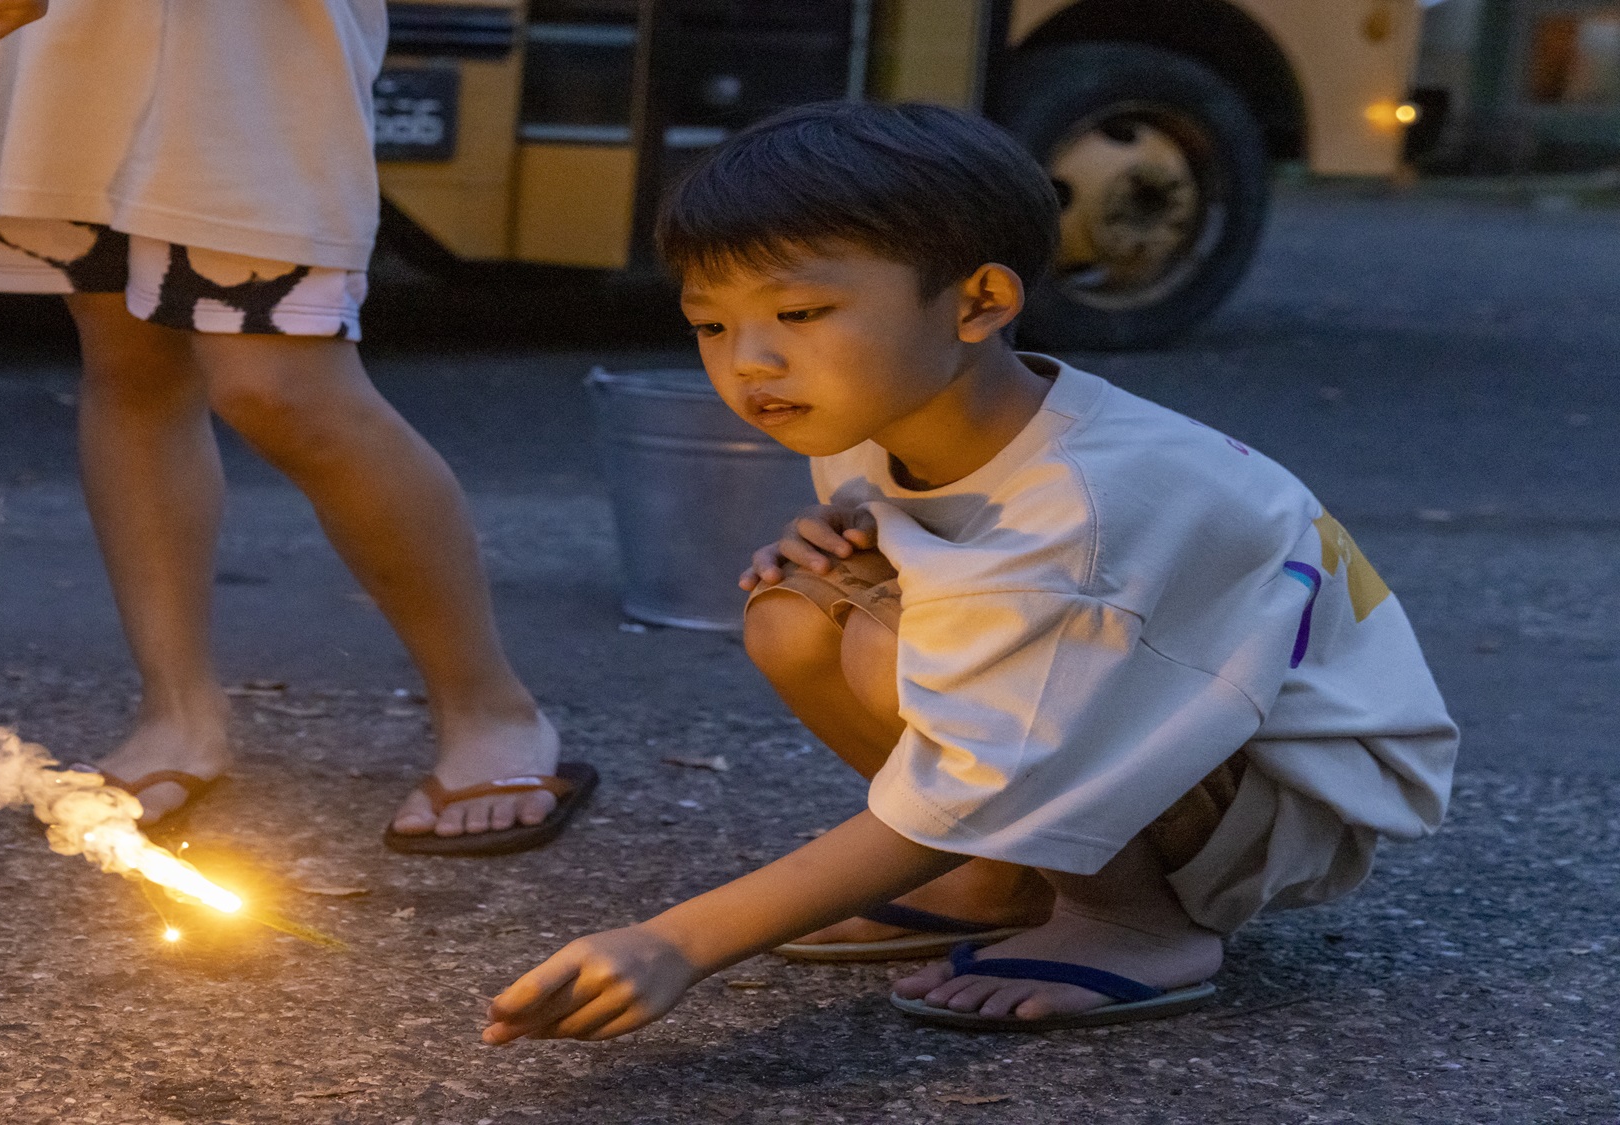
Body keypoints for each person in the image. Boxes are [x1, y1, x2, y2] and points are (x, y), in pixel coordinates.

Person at [483, 102, 1458, 1041]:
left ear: (979, 303)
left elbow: (981, 753)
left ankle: (1134, 923)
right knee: (792, 611)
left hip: (1283, 791)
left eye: (799, 311)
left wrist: (674, 944)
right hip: (1186, 714)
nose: (750, 362)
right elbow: (964, 593)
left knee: (885, 645)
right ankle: (997, 881)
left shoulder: (1082, 507)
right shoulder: (892, 416)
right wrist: (842, 542)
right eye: (709, 325)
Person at [0, 0, 594, 854]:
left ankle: (492, 709)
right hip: (59, 39)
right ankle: (179, 714)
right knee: (130, 355)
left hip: (245, 39)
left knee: (280, 385)